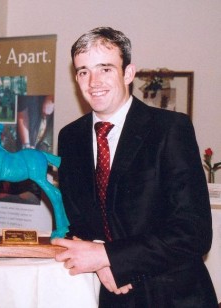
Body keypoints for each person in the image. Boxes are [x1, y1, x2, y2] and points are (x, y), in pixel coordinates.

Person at [53, 27, 218, 307]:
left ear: (128, 73)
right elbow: (78, 220)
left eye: (105, 69)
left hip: (172, 294)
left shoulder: (170, 129)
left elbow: (194, 233)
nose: (93, 82)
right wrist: (102, 266)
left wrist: (107, 258)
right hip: (108, 293)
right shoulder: (69, 137)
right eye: (83, 71)